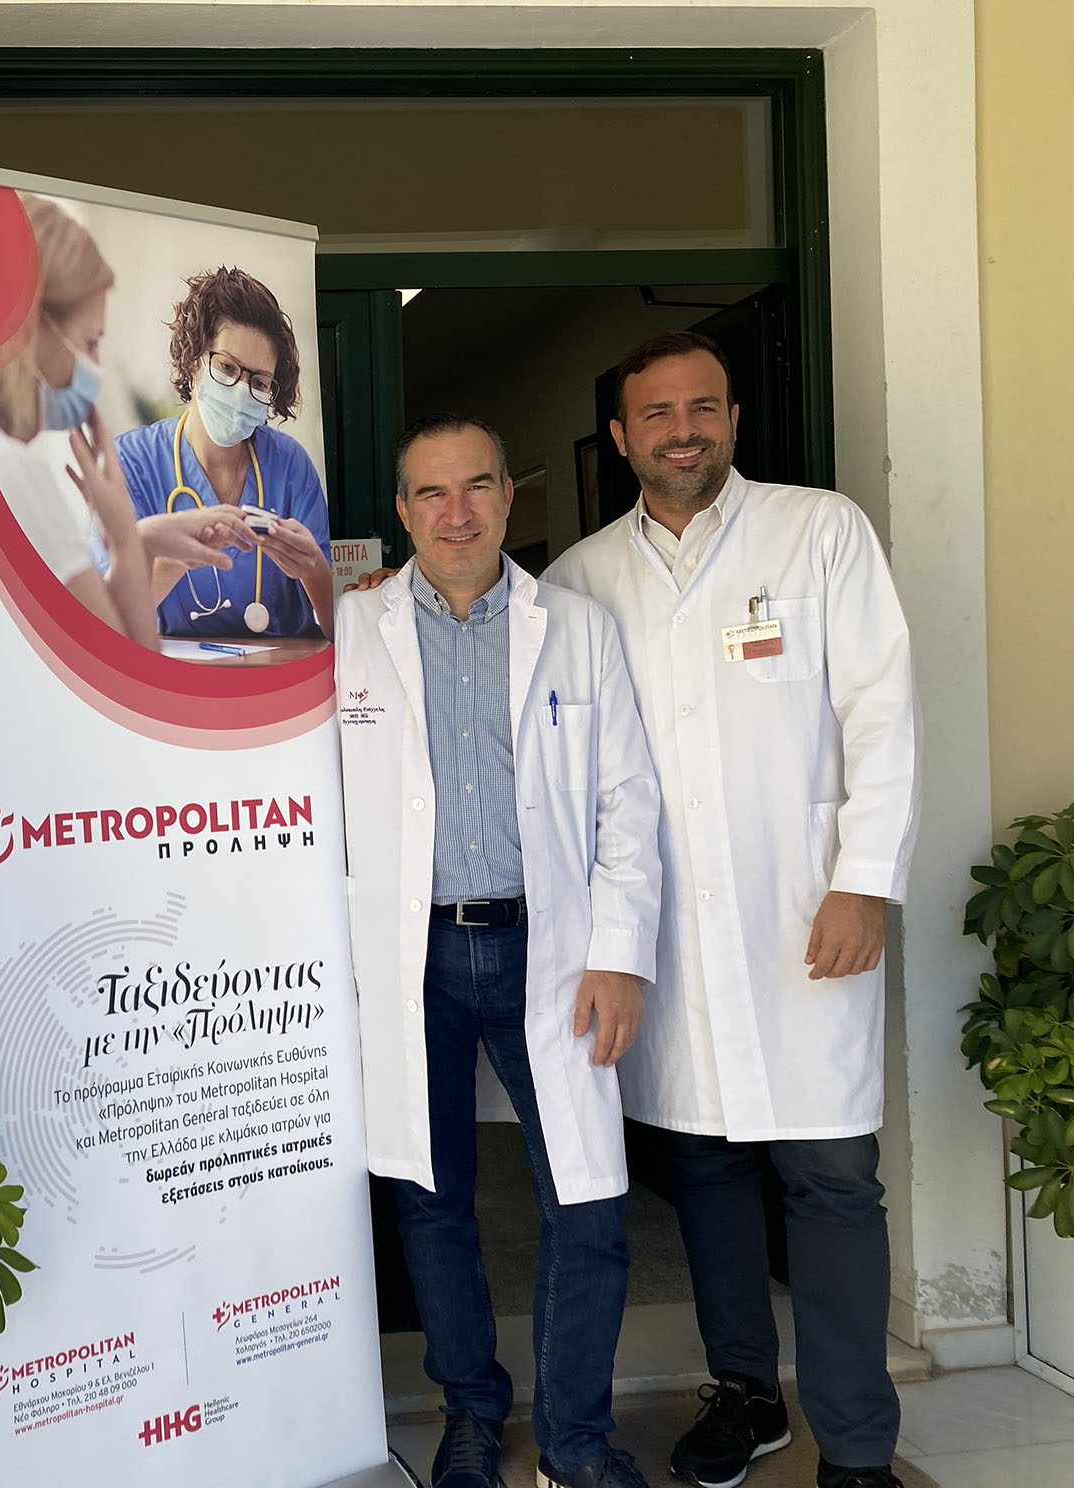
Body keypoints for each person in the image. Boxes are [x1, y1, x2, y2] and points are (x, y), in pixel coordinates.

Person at [543, 331, 920, 1488]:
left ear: (734, 419)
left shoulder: (818, 532)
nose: (683, 430)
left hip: (801, 917)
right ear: (620, 437)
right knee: (704, 1172)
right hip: (664, 934)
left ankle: (855, 1448)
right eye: (656, 414)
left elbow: (880, 711)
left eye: (702, 407)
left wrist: (864, 877)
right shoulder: (578, 581)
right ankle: (746, 1395)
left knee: (830, 1178)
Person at [340, 414, 663, 1488]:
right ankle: (471, 1412)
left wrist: (617, 954)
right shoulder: (349, 633)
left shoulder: (575, 627)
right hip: (413, 954)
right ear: (402, 512)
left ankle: (575, 1439)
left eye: (476, 486)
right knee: (432, 1199)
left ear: (508, 496)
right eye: (431, 494)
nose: (457, 513)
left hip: (550, 948)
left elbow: (626, 802)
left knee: (587, 1197)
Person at [0, 195, 183, 645]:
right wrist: (123, 535)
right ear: (33, 326)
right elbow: (123, 667)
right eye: (90, 342)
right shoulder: (8, 467)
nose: (95, 368)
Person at [116, 266, 335, 639]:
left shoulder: (290, 465)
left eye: (259, 381)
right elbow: (110, 620)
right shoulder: (133, 461)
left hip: (283, 670)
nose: (240, 389)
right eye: (227, 367)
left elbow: (338, 630)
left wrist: (313, 568)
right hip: (170, 672)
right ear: (194, 361)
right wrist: (177, 558)